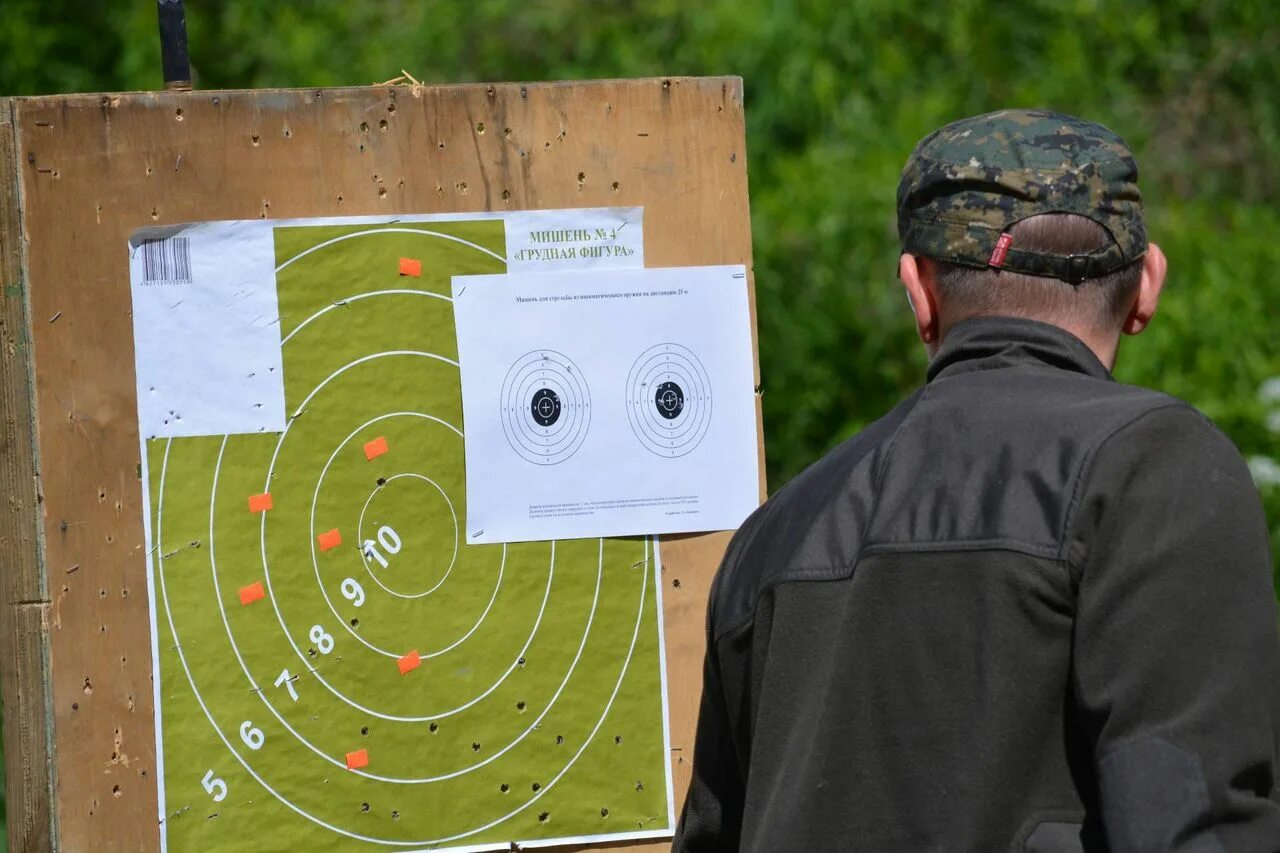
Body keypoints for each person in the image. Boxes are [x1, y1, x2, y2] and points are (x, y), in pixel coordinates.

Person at [673, 110, 1280, 852]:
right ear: (1146, 284)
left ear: (918, 292)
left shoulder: (773, 535)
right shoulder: (1154, 467)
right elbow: (1195, 821)